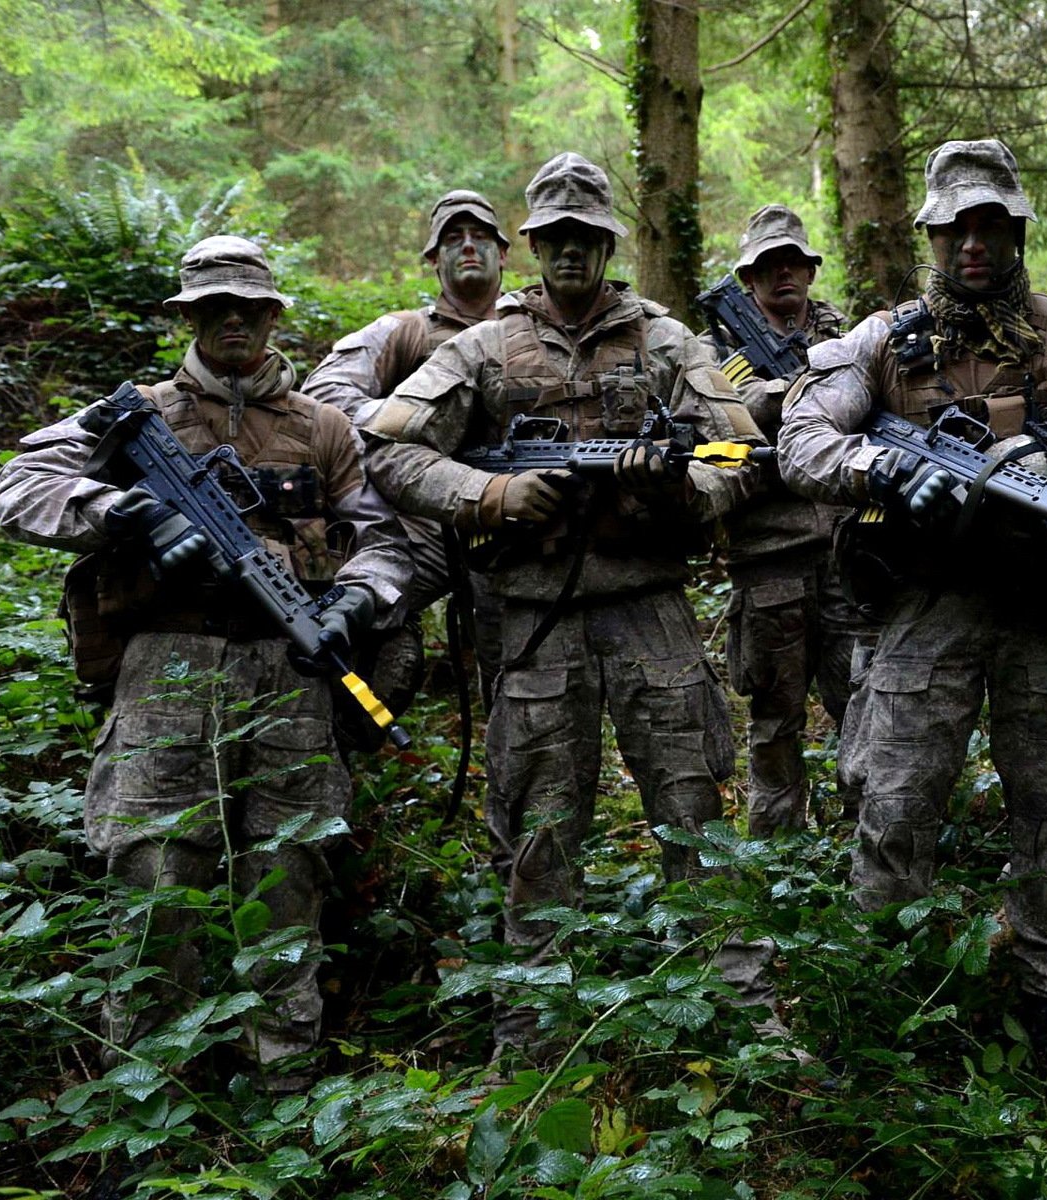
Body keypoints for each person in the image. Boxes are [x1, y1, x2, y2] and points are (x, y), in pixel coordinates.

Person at [355, 152, 766, 1056]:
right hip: (534, 620)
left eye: (588, 236)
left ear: (608, 242)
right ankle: (535, 1037)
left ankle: (740, 1019)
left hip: (650, 609)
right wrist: (488, 495)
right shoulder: (482, 347)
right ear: (533, 244)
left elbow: (745, 454)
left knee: (695, 807)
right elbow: (383, 449)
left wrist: (682, 489)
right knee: (539, 827)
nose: (572, 252)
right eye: (556, 237)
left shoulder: (665, 342)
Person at [777, 138, 1047, 1094]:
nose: (974, 244)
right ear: (933, 237)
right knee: (896, 804)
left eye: (992, 224)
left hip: (1044, 605)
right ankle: (886, 993)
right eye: (956, 228)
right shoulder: (880, 340)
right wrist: (883, 468)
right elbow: (801, 435)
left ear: (1016, 230)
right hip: (923, 608)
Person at [0, 235, 411, 1087]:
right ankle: (150, 1104)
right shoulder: (134, 414)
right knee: (154, 883)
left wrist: (355, 599)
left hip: (289, 677)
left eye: (248, 308)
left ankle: (282, 1089)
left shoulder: (325, 428)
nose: (232, 322)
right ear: (186, 316)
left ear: (272, 316)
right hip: (164, 676)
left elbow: (387, 542)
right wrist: (124, 513)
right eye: (212, 307)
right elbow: (19, 485)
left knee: (287, 884)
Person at [305, 189, 511, 733]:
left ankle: (521, 798)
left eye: (481, 237)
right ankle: (336, 739)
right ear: (433, 259)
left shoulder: (532, 331)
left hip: (514, 520)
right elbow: (324, 395)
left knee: (521, 678)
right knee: (355, 617)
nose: (468, 247)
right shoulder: (404, 331)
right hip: (422, 524)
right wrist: (414, 417)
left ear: (505, 253)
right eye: (452, 238)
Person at [698, 204, 873, 834]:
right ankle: (777, 855)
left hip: (845, 549)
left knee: (860, 701)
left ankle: (864, 838)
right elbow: (722, 415)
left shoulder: (843, 336)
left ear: (810, 269)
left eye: (793, 263)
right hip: (769, 555)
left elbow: (870, 401)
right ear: (749, 277)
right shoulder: (718, 342)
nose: (783, 276)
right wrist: (796, 396)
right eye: (769, 266)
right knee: (775, 719)